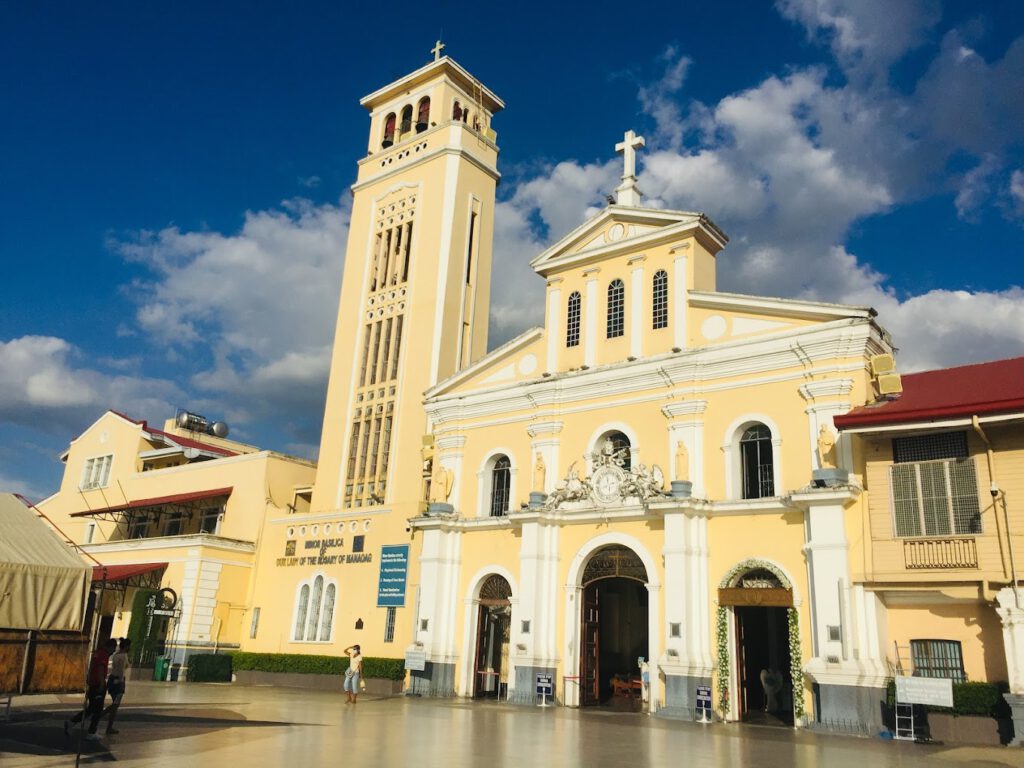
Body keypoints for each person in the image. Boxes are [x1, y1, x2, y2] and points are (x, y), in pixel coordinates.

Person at [66, 637, 116, 740]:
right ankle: (91, 731)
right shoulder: (104, 655)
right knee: (97, 710)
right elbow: (101, 669)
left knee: (91, 709)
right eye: (113, 649)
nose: (113, 651)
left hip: (93, 684)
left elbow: (92, 667)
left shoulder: (97, 653)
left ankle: (72, 722)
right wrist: (102, 684)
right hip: (98, 685)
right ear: (110, 647)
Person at [103, 638, 131, 734]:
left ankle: (109, 726)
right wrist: (121, 681)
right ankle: (101, 716)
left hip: (112, 680)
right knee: (115, 705)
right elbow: (121, 670)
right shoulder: (124, 656)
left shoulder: (116, 655)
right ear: (127, 646)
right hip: (118, 682)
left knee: (115, 705)